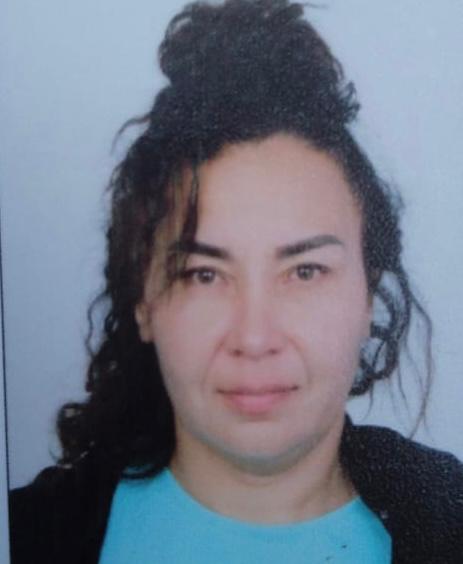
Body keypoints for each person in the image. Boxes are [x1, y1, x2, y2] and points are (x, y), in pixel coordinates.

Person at [9, 0, 463, 562]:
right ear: (143, 300)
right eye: (204, 275)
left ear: (368, 294)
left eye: (304, 271)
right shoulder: (26, 535)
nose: (254, 337)